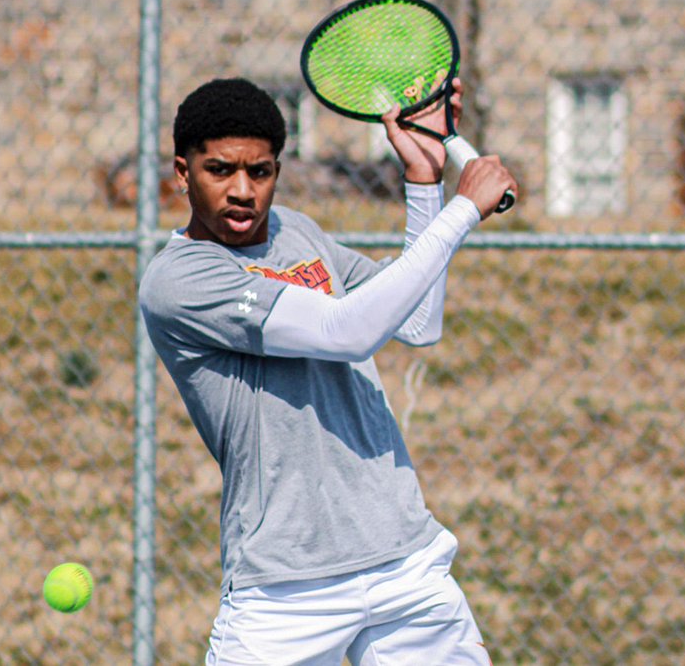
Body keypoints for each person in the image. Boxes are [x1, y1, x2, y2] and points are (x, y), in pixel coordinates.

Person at [139, 76, 517, 665]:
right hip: (286, 586)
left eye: (260, 172)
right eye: (220, 171)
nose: (243, 191)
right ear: (182, 173)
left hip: (403, 560)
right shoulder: (180, 280)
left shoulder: (297, 230)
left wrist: (424, 182)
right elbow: (348, 331)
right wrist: (464, 206)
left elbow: (416, 322)